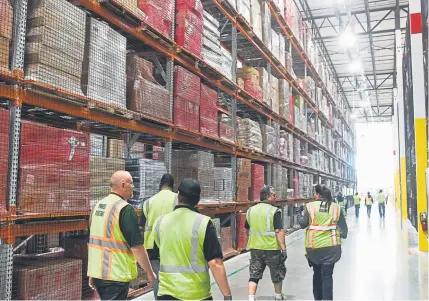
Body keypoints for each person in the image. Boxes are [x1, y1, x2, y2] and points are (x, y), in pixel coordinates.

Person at [153, 178, 232, 300]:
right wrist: (227, 296)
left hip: (166, 293)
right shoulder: (204, 224)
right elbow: (215, 263)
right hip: (195, 294)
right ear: (197, 200)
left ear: (178, 195)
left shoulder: (160, 222)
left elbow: (158, 253)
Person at [87, 171, 156, 300]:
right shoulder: (125, 209)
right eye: (131, 183)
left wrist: (93, 272)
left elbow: (93, 242)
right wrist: (150, 273)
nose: (133, 187)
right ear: (123, 185)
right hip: (115, 276)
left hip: (99, 275)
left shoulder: (97, 206)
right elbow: (137, 248)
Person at [299, 185, 348, 301]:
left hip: (314, 248)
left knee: (316, 274)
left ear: (318, 195)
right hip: (331, 248)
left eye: (314, 193)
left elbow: (302, 224)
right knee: (327, 276)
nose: (313, 195)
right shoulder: (336, 208)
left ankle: (317, 299)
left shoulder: (309, 207)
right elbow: (344, 233)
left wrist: (300, 214)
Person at [245, 186, 287, 301]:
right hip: (272, 249)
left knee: (254, 274)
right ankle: (278, 296)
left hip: (255, 248)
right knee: (277, 273)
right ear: (267, 196)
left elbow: (247, 229)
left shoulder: (250, 210)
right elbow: (279, 231)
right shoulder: (274, 211)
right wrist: (283, 249)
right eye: (273, 195)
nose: (275, 197)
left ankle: (251, 298)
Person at [139, 174, 177, 299]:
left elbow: (142, 226)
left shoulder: (148, 202)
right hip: (171, 246)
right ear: (173, 186)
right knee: (172, 280)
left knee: (157, 280)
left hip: (151, 248)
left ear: (160, 185)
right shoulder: (177, 199)